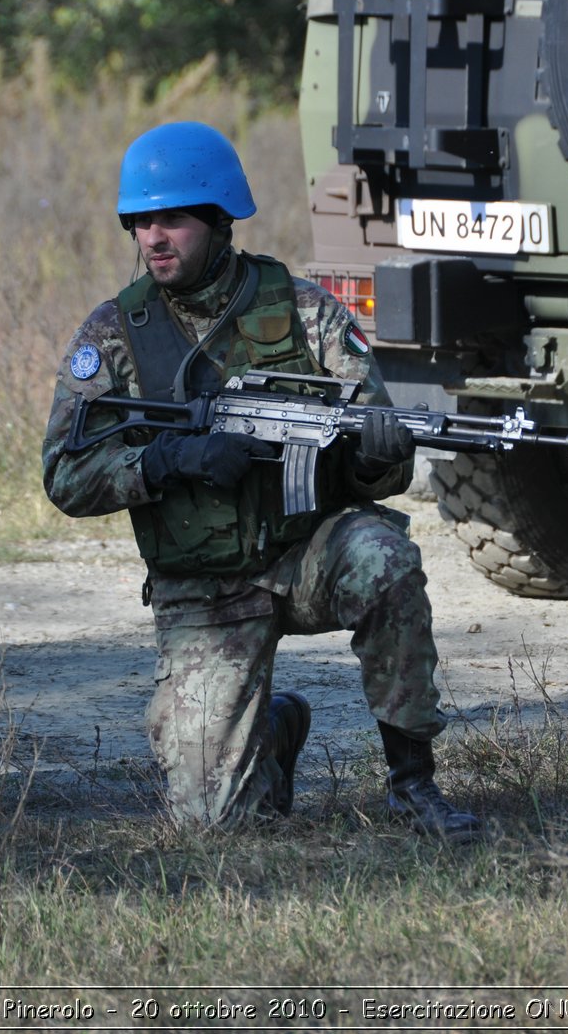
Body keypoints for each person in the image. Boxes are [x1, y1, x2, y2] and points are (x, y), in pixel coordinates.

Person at [41, 121, 479, 840]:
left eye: (173, 220)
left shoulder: (304, 312)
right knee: (211, 824)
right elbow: (64, 473)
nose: (155, 237)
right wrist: (163, 461)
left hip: (305, 554)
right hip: (204, 586)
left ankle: (412, 783)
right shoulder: (114, 335)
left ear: (218, 220)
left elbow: (386, 458)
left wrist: (375, 453)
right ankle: (272, 729)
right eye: (142, 221)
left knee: (384, 557)